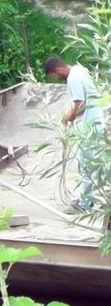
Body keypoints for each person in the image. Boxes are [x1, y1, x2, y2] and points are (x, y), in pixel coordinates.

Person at [44, 56, 105, 211]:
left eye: (54, 75)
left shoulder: (73, 79)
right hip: (95, 122)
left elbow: (80, 103)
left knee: (86, 165)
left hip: (89, 127)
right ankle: (87, 198)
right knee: (91, 163)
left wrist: (68, 118)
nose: (55, 78)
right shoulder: (79, 69)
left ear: (57, 70)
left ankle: (86, 203)